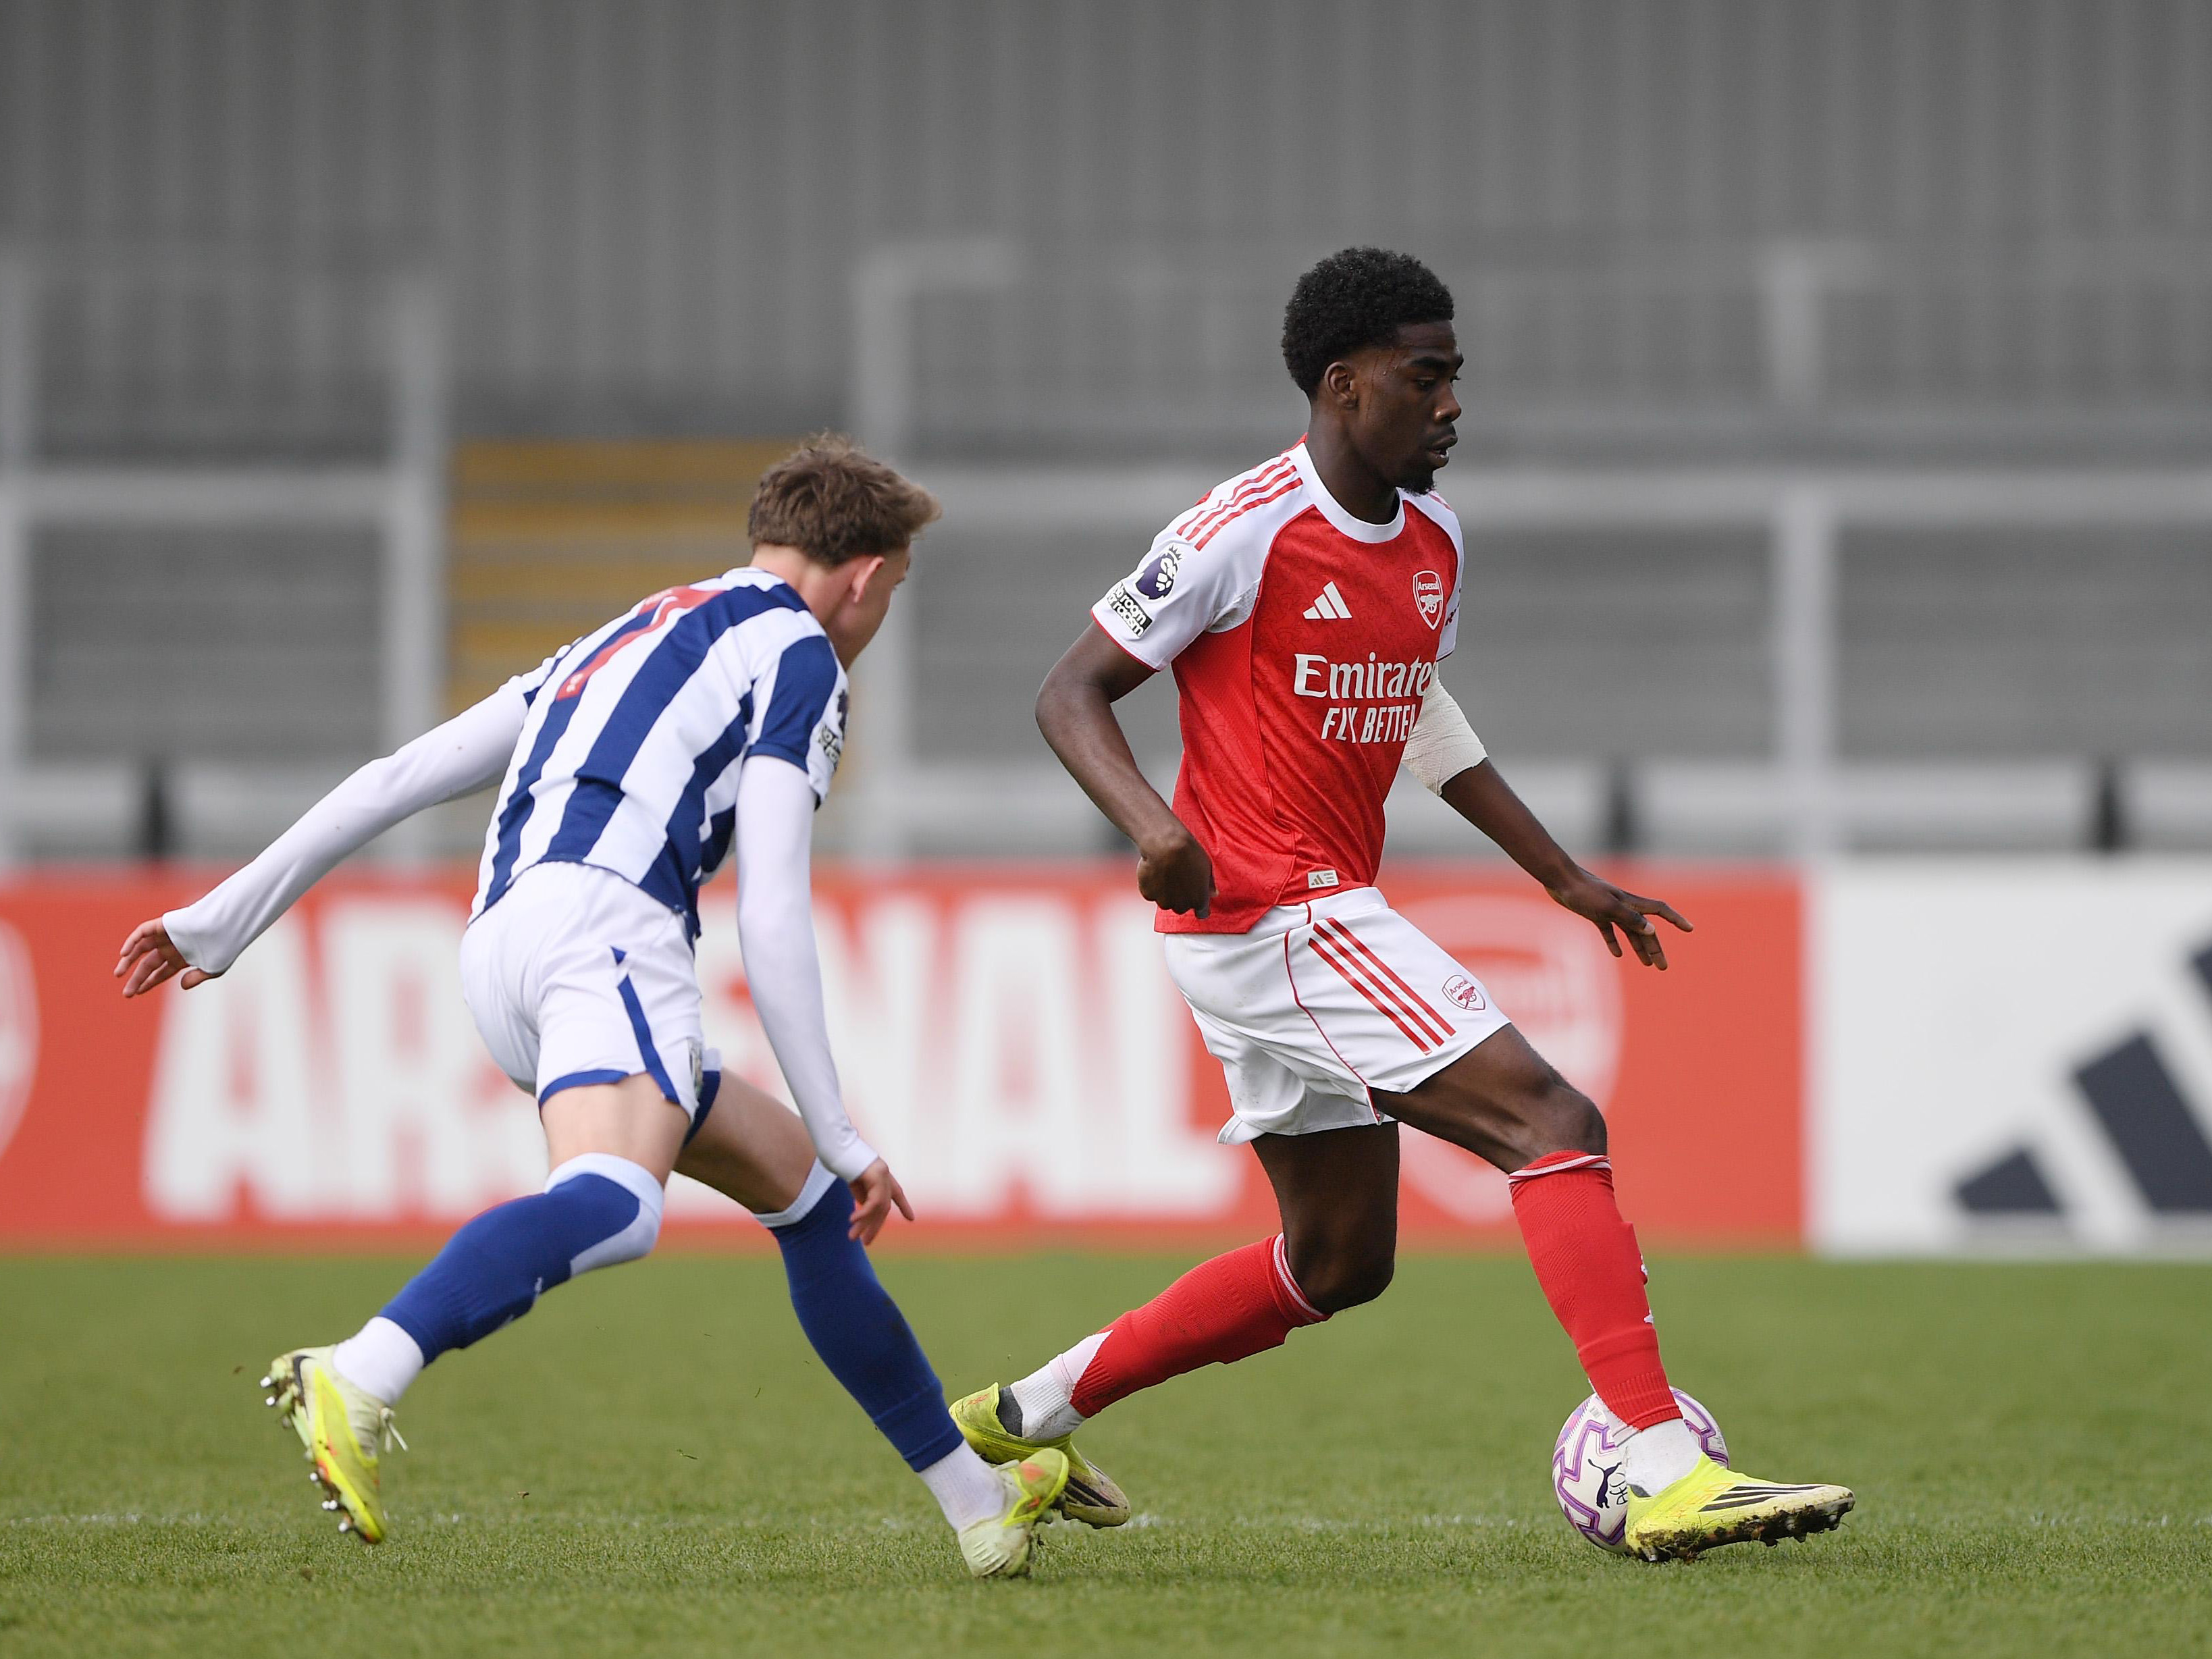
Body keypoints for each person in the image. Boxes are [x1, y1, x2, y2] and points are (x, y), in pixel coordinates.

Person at [948, 248, 1853, 1563]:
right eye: (1426, 378)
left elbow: (1422, 712)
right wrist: (1155, 829)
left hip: (1282, 927)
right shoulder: (1238, 527)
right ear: (1343, 382)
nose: (1450, 405)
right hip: (1276, 911)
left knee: (1336, 1259)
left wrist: (1558, 873)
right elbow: (1068, 691)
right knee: (1551, 1117)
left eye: (1456, 378)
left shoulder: (1432, 540)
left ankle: (1025, 1412)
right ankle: (1661, 1460)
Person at [115, 438, 1068, 1577]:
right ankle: (362, 1369)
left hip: (503, 942)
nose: (880, 616)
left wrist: (216, 921)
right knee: (618, 1203)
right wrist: (849, 1127)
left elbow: (394, 778)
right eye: (893, 591)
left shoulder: (620, 635)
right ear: (863, 574)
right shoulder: (802, 656)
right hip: (608, 932)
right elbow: (771, 910)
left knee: (802, 1202)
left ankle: (978, 1502)